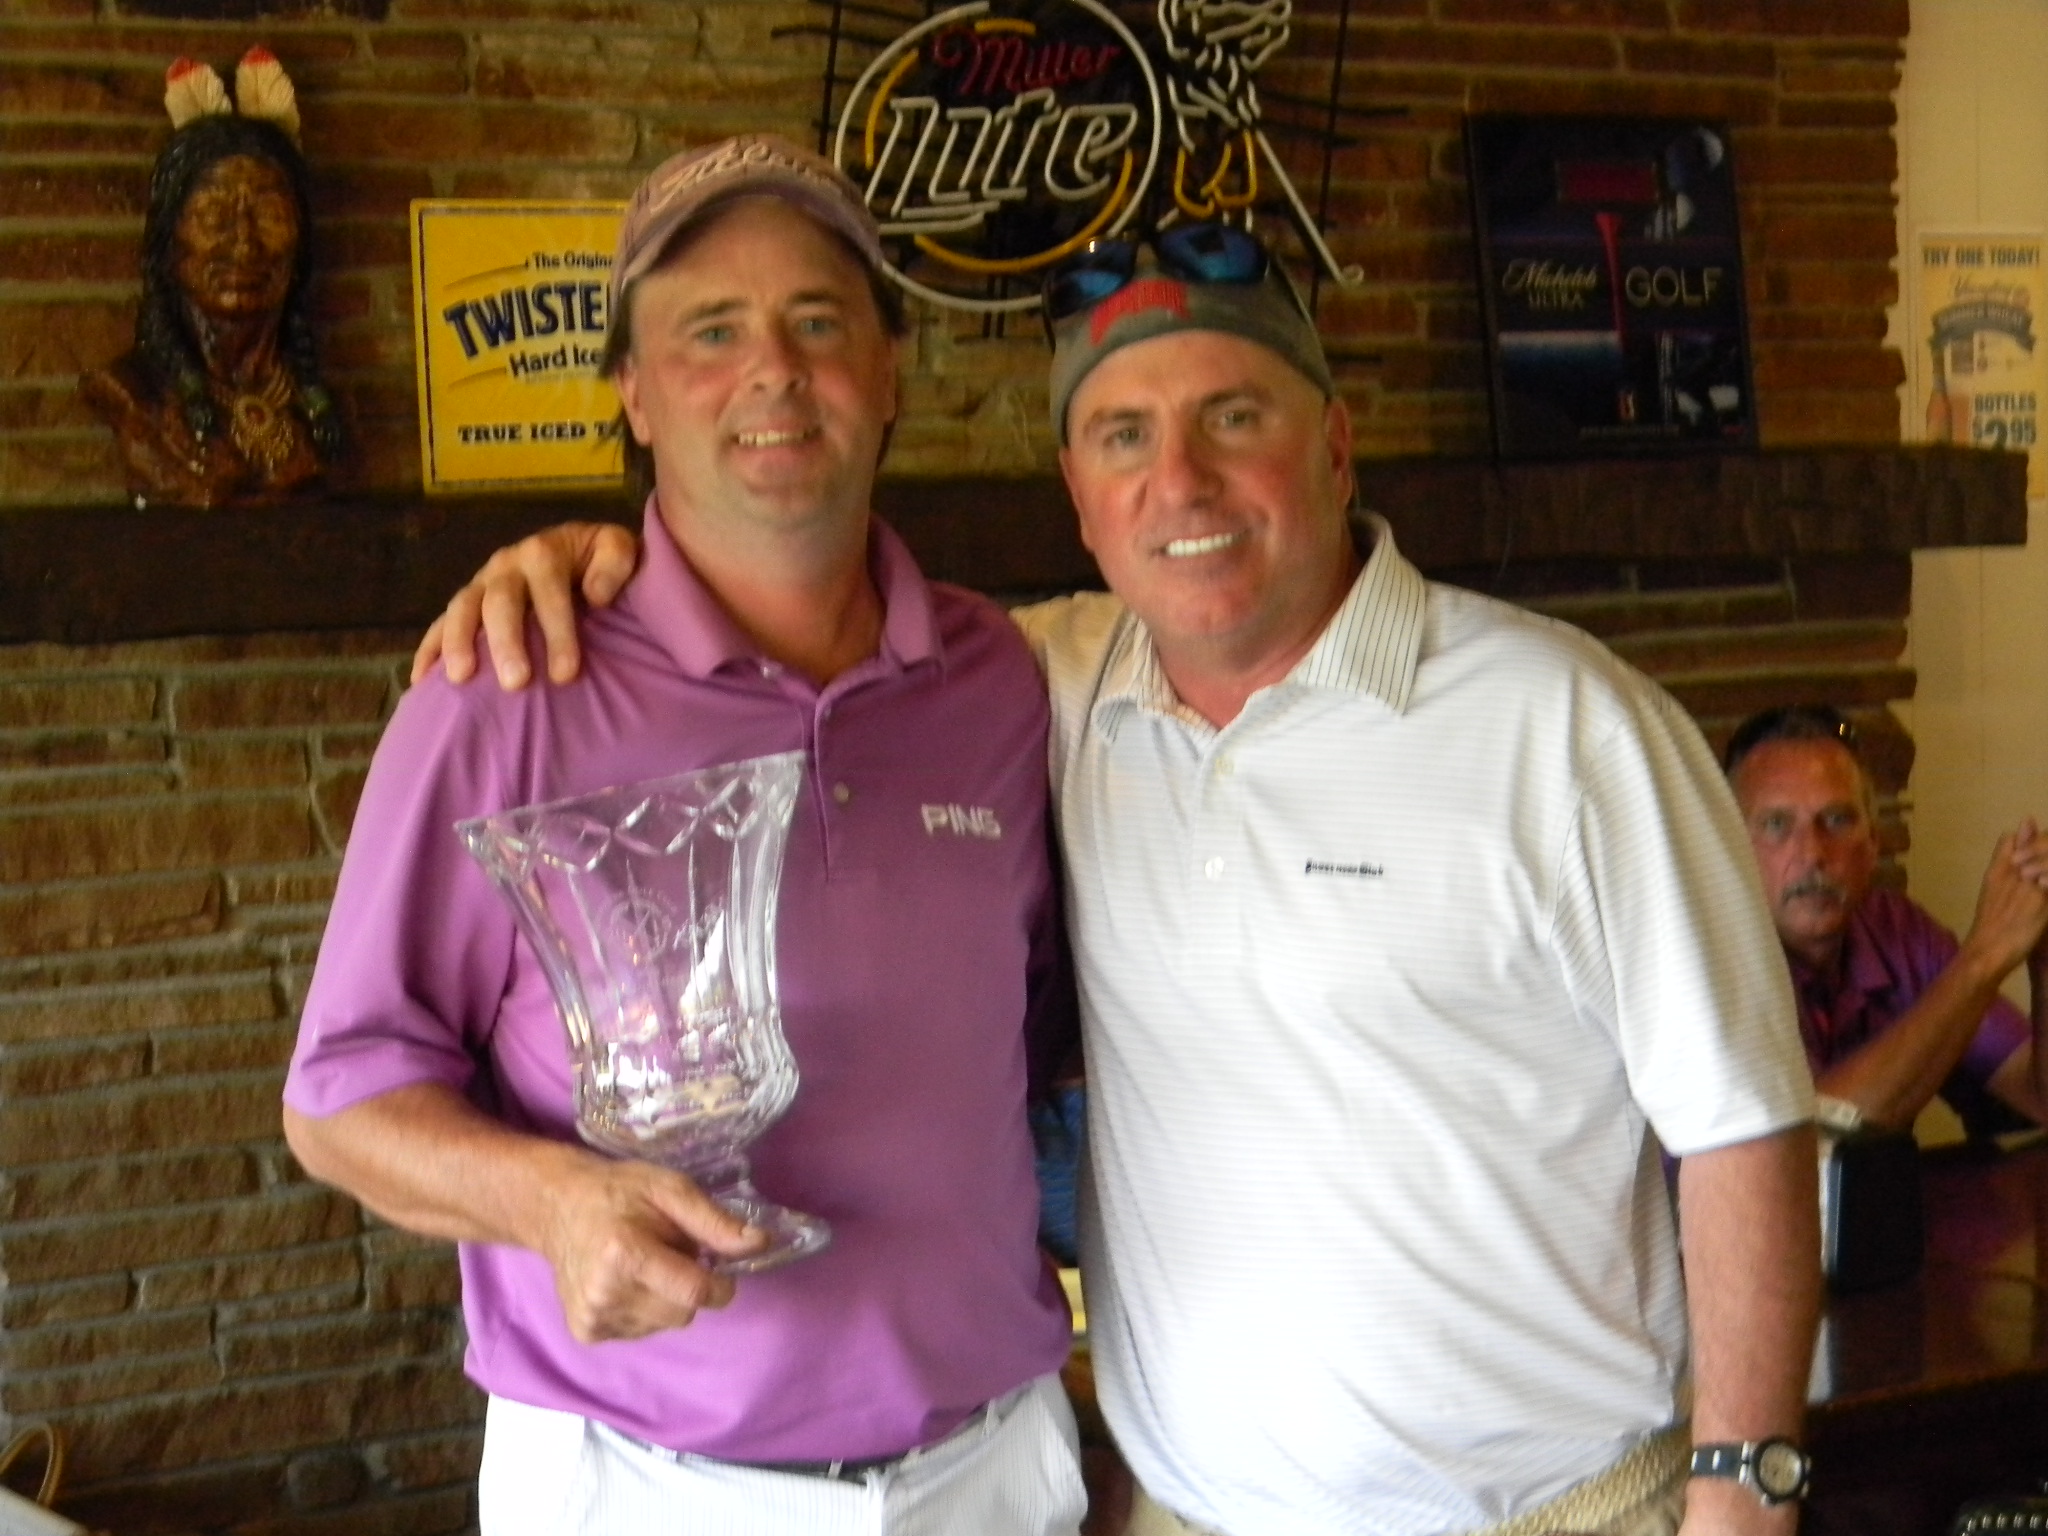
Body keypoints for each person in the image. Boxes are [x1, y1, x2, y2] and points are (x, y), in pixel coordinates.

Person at [420, 227, 1822, 1536]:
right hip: (1187, 1513)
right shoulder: (1039, 688)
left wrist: (1746, 1486)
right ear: (1080, 502)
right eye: (1122, 437)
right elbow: (798, 616)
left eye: (1234, 417)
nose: (1181, 482)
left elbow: (1744, 1125)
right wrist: (593, 566)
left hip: (1556, 1514)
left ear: (1336, 446)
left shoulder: (1565, 726)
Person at [282, 135, 1086, 1536]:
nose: (772, 370)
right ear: (635, 394)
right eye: (710, 331)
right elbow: (339, 1098)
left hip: (990, 1474)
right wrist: (551, 1204)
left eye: (818, 322)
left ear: (891, 371)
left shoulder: (1004, 682)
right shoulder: (505, 692)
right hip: (643, 1486)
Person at [1724, 703, 2048, 1136]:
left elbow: (2039, 1098)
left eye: (1837, 820)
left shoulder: (1897, 931)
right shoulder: (1709, 960)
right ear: (1730, 848)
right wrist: (1984, 958)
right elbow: (1811, 1144)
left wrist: (2041, 947)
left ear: (1873, 842)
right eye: (1777, 824)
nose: (1813, 853)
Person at [80, 80, 339, 509]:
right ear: (168, 242)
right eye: (213, 214)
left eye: (269, 214)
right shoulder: (135, 395)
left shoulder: (324, 408)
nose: (244, 245)